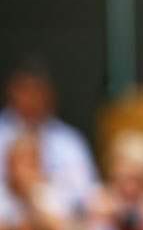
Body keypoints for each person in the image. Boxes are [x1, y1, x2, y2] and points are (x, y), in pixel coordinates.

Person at [0, 57, 99, 218]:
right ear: (11, 91)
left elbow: (87, 196)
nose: (30, 97)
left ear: (49, 94)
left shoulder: (70, 142)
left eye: (37, 90)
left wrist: (41, 191)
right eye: (24, 89)